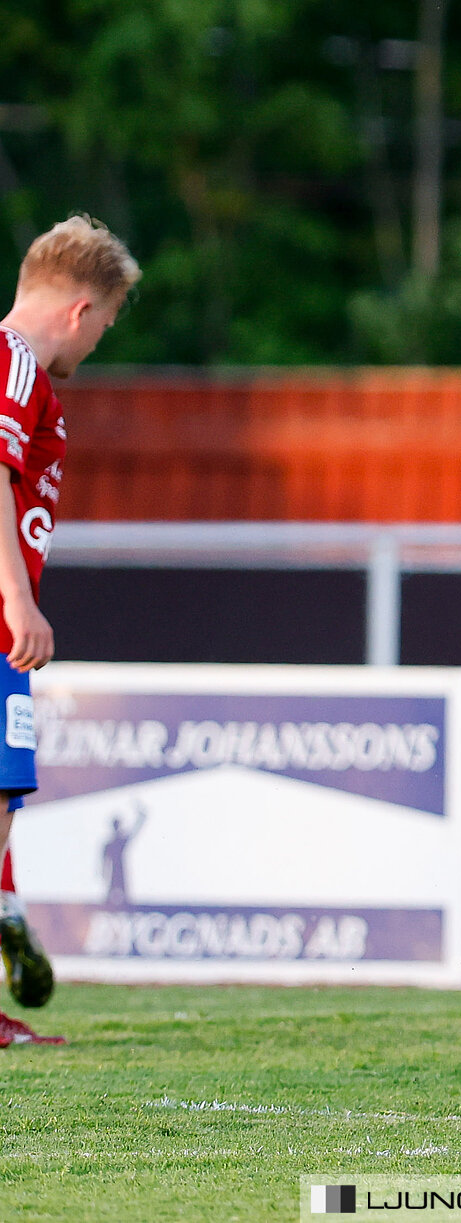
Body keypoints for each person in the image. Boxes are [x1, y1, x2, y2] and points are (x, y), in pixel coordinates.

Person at [0, 216, 140, 1049]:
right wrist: (17, 600)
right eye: (107, 325)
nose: (99, 344)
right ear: (82, 310)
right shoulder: (15, 364)